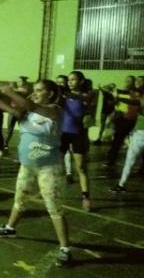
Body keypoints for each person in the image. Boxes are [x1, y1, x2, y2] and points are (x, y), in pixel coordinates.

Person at [0, 79, 72, 267]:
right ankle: (10, 228)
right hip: (28, 166)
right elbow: (1, 103)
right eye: (34, 90)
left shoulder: (54, 110)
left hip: (49, 168)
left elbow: (29, 104)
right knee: (20, 198)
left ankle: (65, 249)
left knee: (54, 208)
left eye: (39, 90)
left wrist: (10, 90)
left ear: (50, 94)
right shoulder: (26, 112)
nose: (35, 93)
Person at [59, 71, 94, 211]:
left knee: (80, 167)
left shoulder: (87, 96)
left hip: (78, 134)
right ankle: (53, 191)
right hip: (63, 134)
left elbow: (80, 97)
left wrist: (61, 91)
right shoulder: (63, 95)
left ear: (81, 81)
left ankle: (86, 197)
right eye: (68, 80)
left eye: (73, 79)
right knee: (56, 164)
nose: (70, 82)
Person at [109, 85, 144, 193]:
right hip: (138, 133)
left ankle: (121, 185)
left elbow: (134, 103)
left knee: (129, 161)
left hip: (140, 135)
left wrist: (118, 97)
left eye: (138, 93)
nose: (136, 95)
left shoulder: (141, 102)